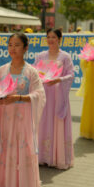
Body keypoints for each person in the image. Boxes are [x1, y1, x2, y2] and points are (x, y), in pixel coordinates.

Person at [0, 33, 46, 187]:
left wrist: (19, 98)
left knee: (21, 154)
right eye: (10, 44)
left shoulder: (31, 72)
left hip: (21, 122)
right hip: (4, 120)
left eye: (17, 45)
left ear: (26, 48)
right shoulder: (2, 70)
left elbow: (39, 95)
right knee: (4, 152)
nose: (12, 48)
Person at [34, 28, 74, 169]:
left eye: (53, 37)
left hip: (58, 95)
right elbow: (34, 73)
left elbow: (71, 75)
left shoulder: (65, 57)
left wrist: (59, 79)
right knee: (43, 123)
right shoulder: (40, 56)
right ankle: (43, 156)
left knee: (56, 122)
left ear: (59, 39)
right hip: (44, 94)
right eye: (48, 37)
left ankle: (58, 157)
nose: (51, 40)